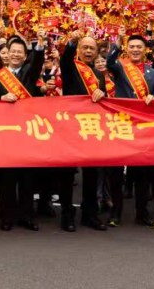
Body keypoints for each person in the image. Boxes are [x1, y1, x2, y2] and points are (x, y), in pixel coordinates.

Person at [0, 36, 44, 231]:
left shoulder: (30, 72)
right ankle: (7, 216)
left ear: (25, 55)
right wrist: (1, 97)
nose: (16, 55)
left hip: (28, 132)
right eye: (13, 51)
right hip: (6, 133)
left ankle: (27, 216)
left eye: (20, 52)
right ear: (8, 53)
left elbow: (37, 62)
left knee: (28, 178)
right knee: (7, 179)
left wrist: (40, 46)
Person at [106, 34, 154, 228]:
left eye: (139, 46)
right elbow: (109, 61)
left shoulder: (153, 73)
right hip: (121, 125)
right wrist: (117, 43)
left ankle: (142, 212)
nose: (136, 50)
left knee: (142, 174)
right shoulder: (120, 67)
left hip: (142, 128)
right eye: (132, 47)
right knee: (116, 173)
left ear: (145, 50)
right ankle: (116, 212)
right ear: (127, 49)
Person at [58, 33, 107, 232]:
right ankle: (67, 214)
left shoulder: (99, 75)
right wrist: (70, 43)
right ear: (78, 50)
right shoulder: (71, 68)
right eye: (84, 47)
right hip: (70, 127)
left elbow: (103, 101)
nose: (88, 51)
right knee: (67, 173)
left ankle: (90, 214)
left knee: (91, 173)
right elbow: (65, 60)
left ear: (97, 52)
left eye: (92, 48)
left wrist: (102, 93)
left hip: (91, 128)